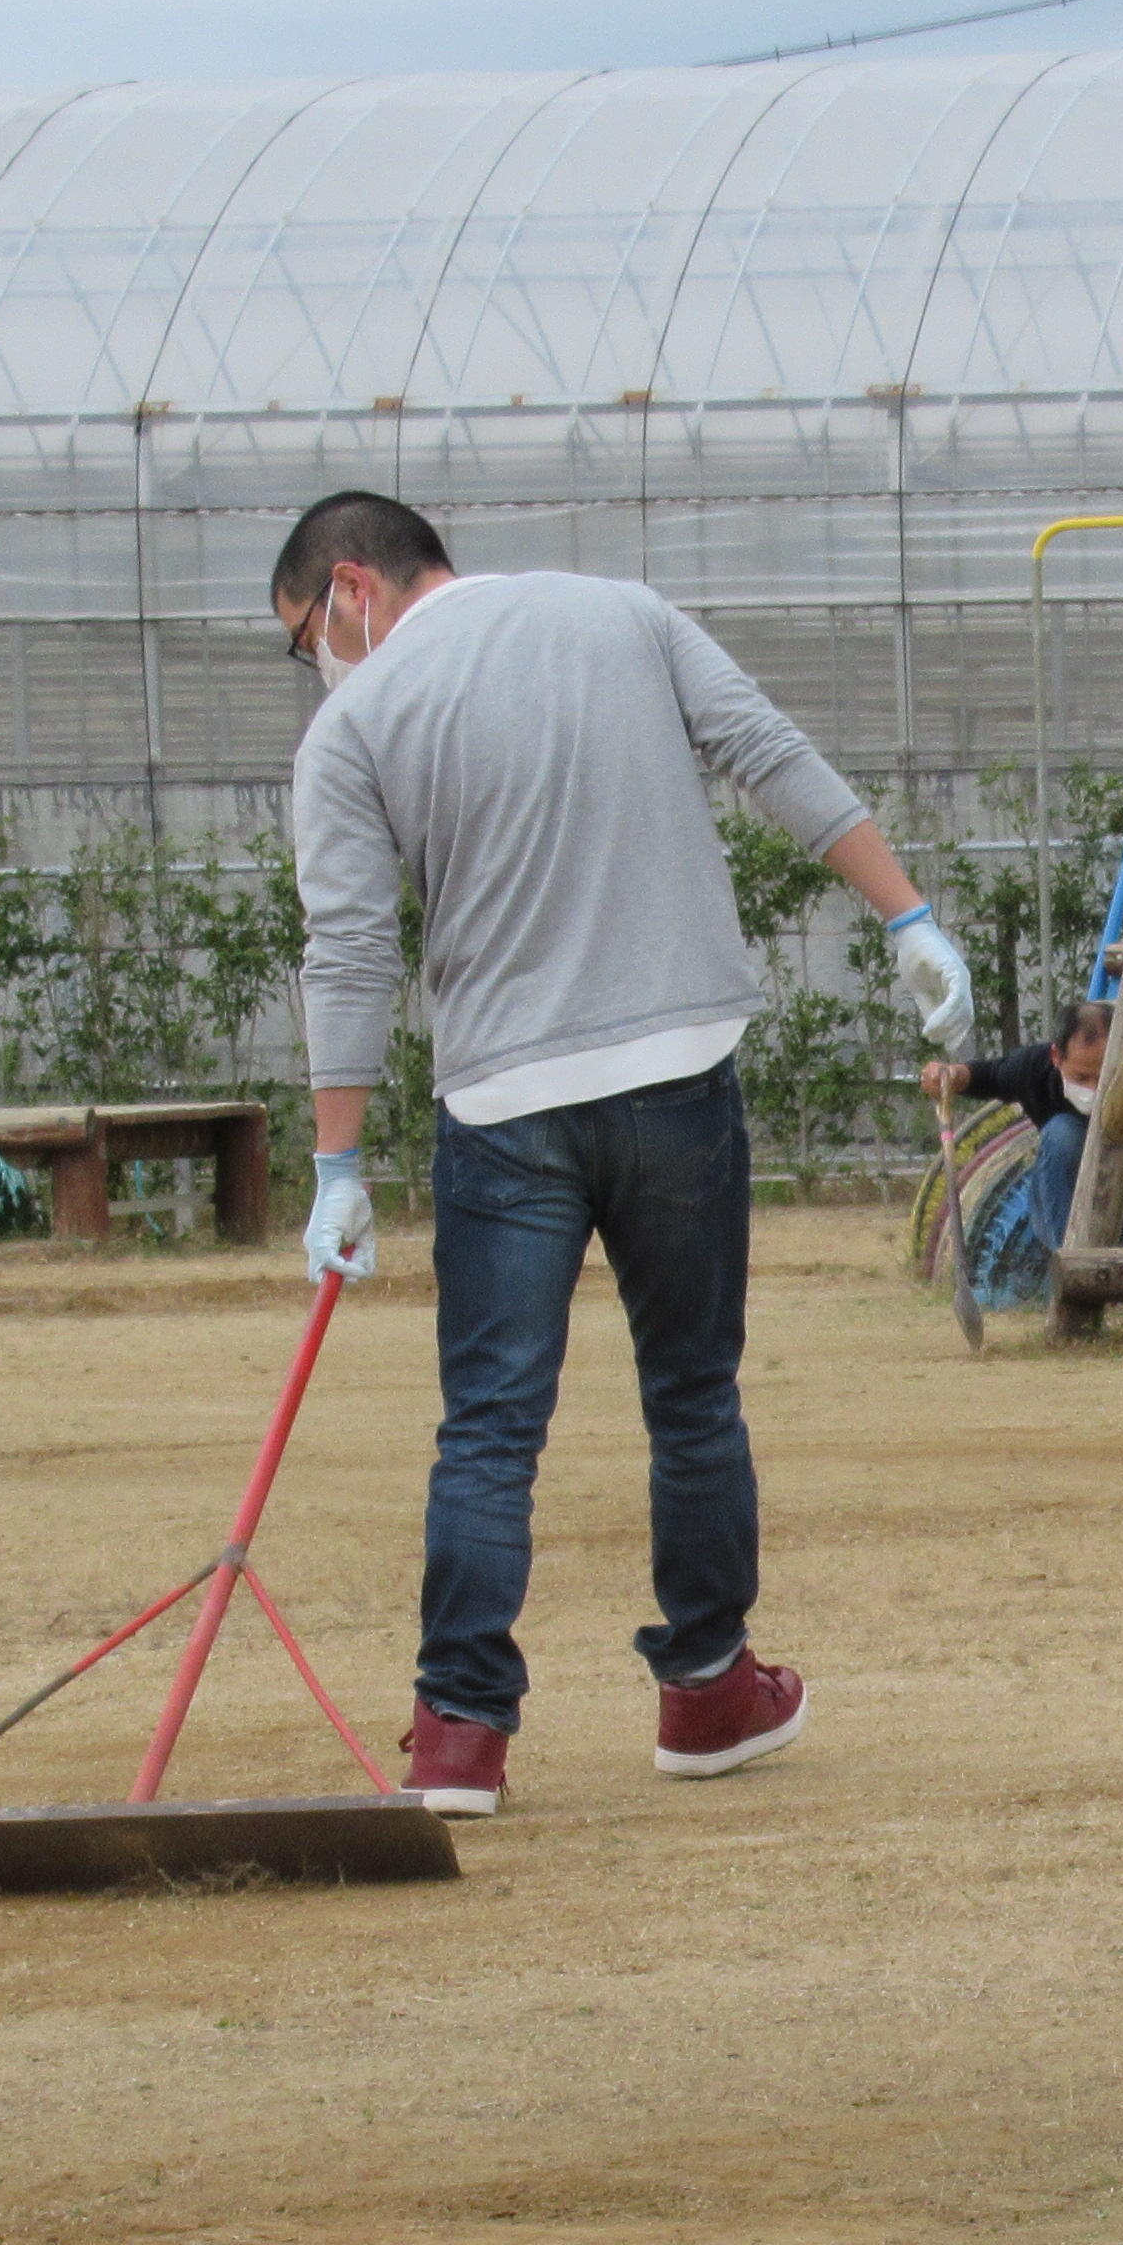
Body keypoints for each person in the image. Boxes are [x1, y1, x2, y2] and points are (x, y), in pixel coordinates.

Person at [283, 487, 970, 1818]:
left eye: (303, 629)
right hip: (676, 1071)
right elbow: (766, 753)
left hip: (502, 1104)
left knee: (490, 1426)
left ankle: (458, 1736)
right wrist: (907, 918)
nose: (311, 658)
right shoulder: (626, 617)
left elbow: (352, 949)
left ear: (352, 588)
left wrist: (336, 1165)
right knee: (694, 1397)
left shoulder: (355, 725)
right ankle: (707, 1689)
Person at [922, 997, 1123, 1269]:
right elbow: (991, 1075)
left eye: (1106, 1078)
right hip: (1060, 1208)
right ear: (1056, 1057)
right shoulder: (1035, 1069)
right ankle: (1072, 1266)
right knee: (1063, 1131)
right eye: (1082, 1077)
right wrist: (952, 1074)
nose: (1093, 1090)